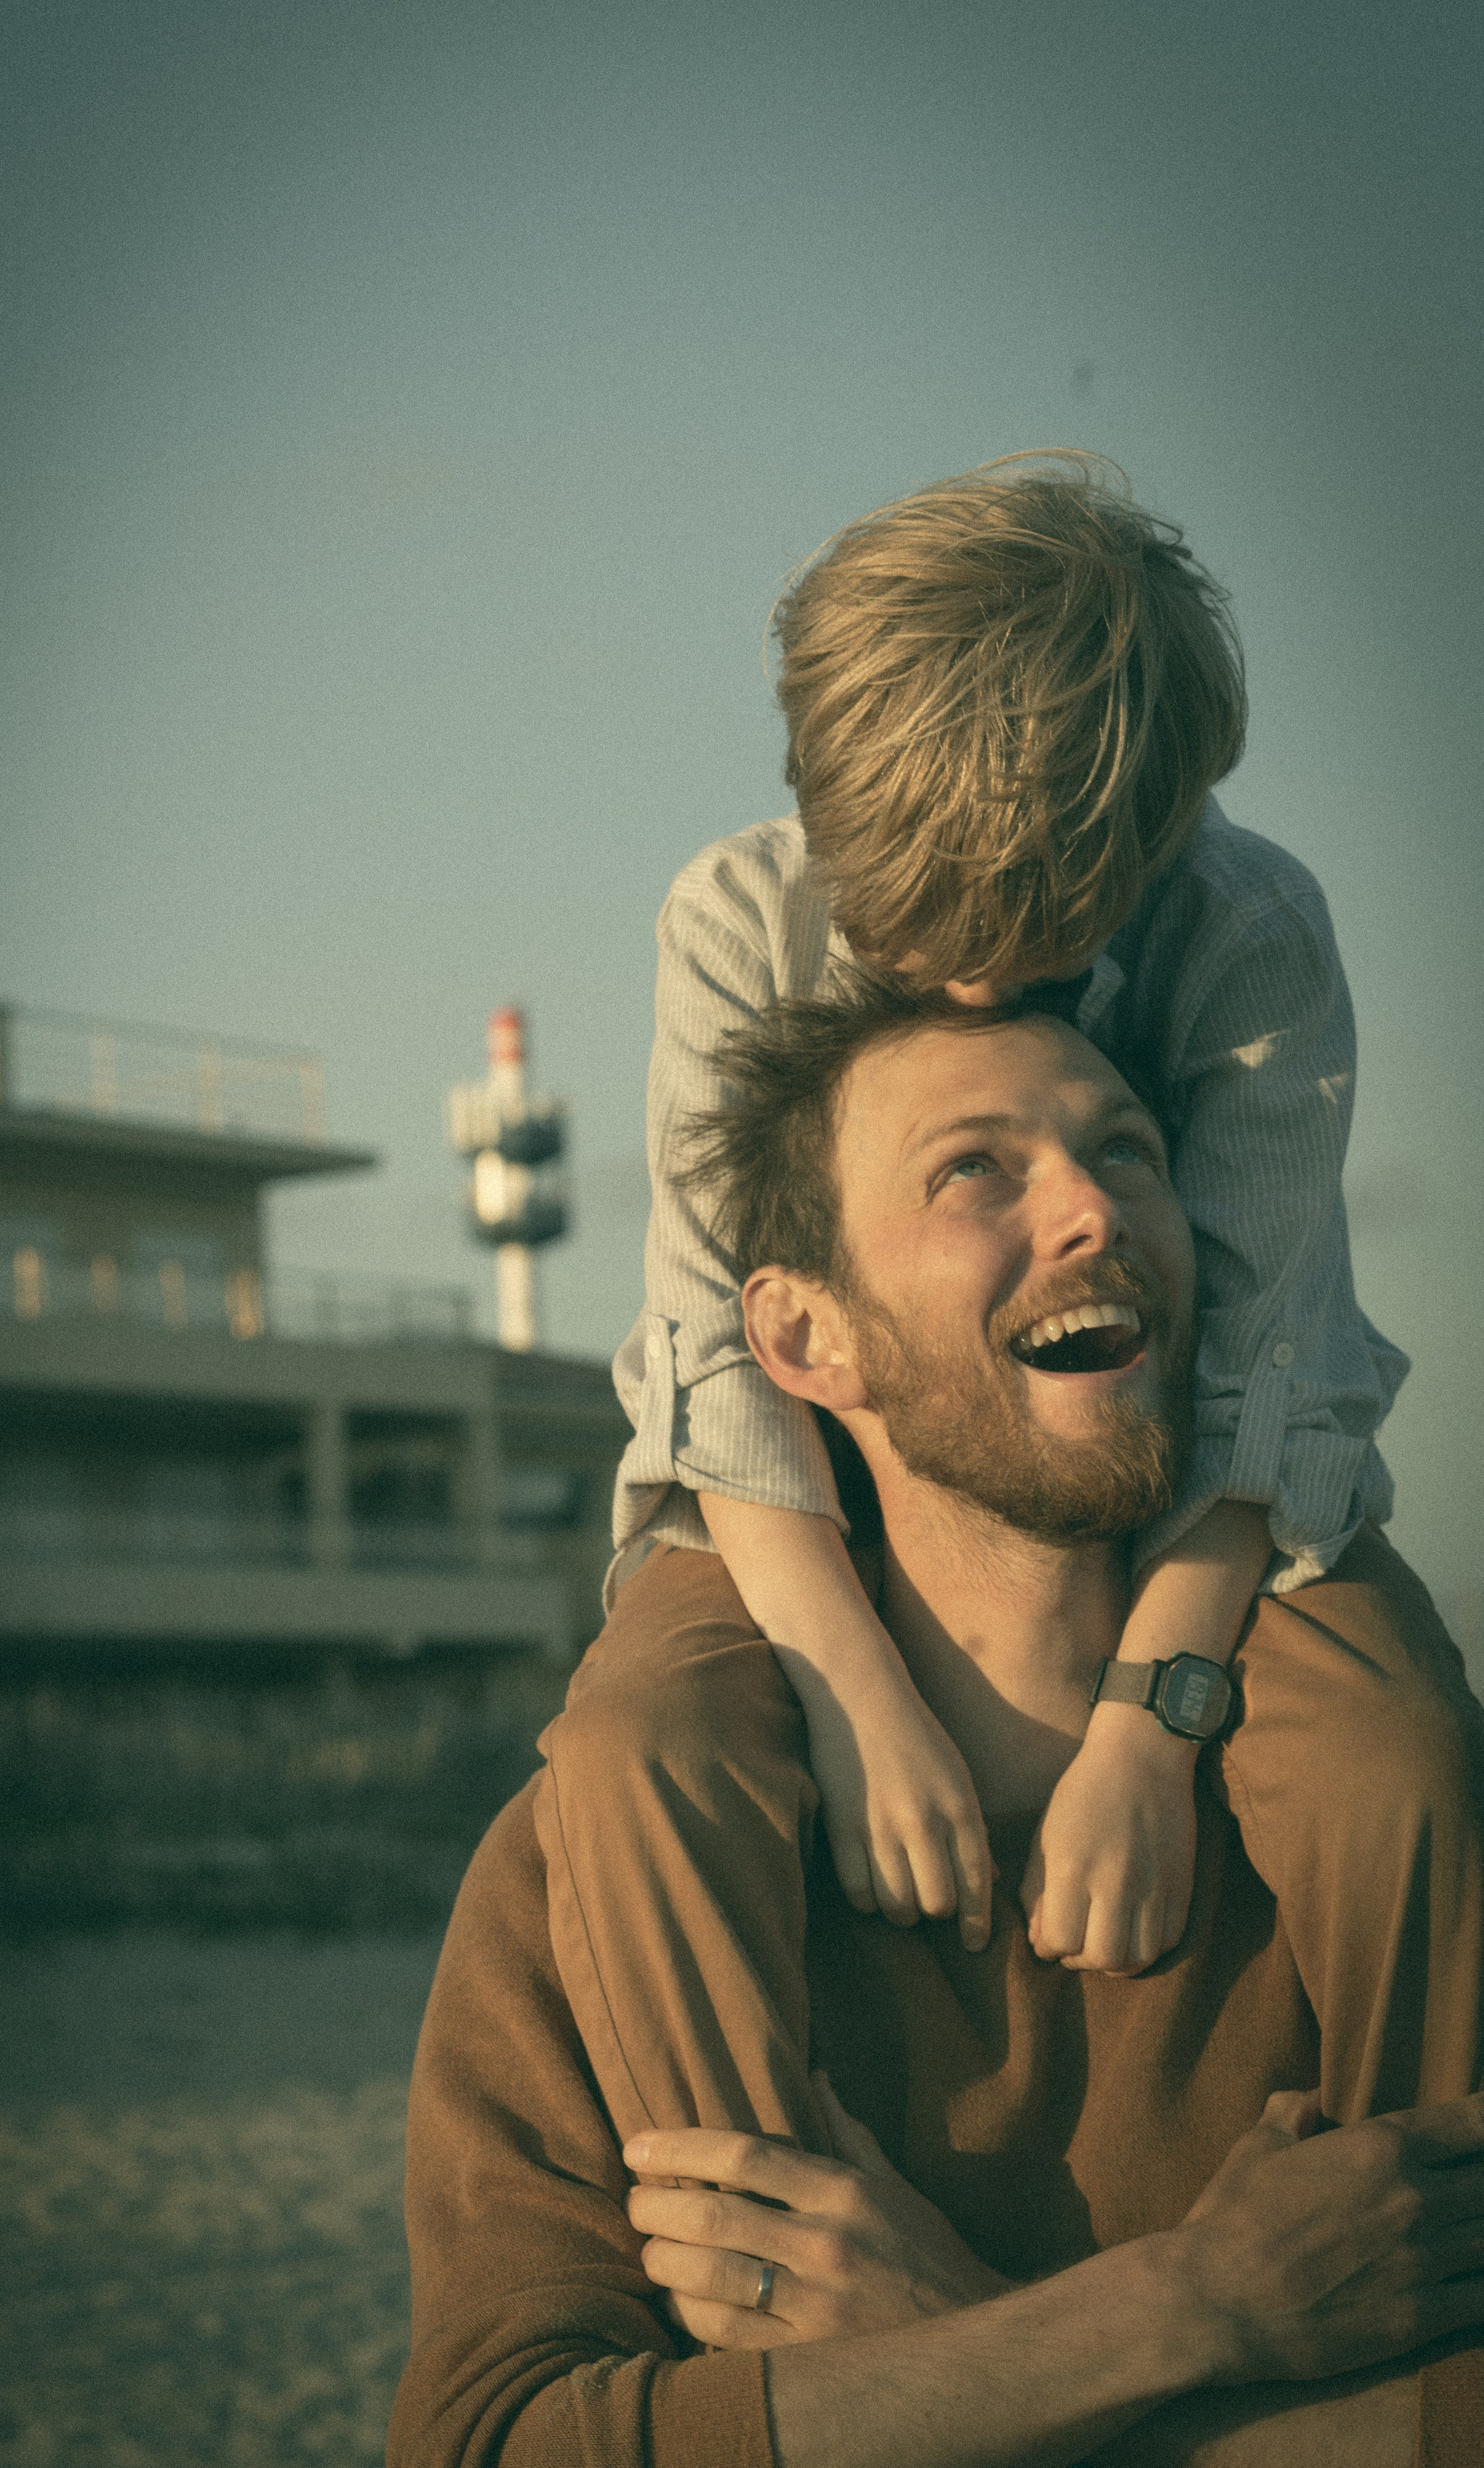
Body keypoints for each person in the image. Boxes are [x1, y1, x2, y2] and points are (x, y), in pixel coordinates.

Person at [387, 996, 1484, 2465]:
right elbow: (490, 2442)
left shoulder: (1377, 1801)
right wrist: (1194, 2312)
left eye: (1127, 1153)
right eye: (976, 1169)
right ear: (799, 1333)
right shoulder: (621, 1839)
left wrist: (965, 2342)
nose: (1092, 1207)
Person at [609, 455, 1409, 1980]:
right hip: (813, 1492)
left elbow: (1263, 1386)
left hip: (1186, 1503)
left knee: (1398, 1759)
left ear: (1152, 837)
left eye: (1031, 938)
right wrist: (851, 1700)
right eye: (904, 923)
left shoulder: (1247, 933)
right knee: (633, 1745)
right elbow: (713, 1356)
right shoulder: (735, 920)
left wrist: (1146, 1737)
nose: (965, 985)